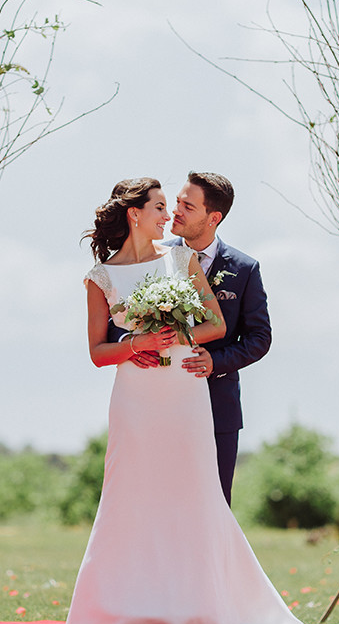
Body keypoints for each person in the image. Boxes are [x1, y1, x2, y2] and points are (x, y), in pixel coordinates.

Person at [65, 177, 323, 624]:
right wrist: (133, 344)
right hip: (135, 400)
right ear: (134, 214)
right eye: (162, 207)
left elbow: (216, 325)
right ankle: (125, 613)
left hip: (184, 393)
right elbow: (97, 351)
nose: (170, 216)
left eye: (176, 206)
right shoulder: (99, 277)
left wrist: (171, 331)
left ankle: (202, 610)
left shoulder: (180, 259)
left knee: (193, 495)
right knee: (132, 496)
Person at [112, 171, 270, 506]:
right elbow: (119, 314)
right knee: (160, 502)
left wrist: (217, 362)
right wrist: (131, 349)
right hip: (160, 399)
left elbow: (259, 338)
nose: (175, 211)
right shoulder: (153, 256)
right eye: (177, 201)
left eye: (188, 205)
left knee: (214, 506)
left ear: (214, 218)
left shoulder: (245, 269)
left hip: (218, 406)